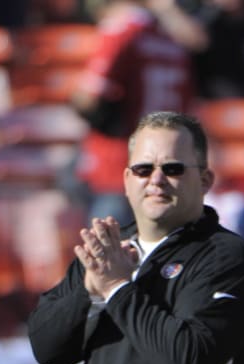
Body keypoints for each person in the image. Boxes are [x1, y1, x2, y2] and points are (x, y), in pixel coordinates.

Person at [27, 111, 244, 364]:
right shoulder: (105, 251)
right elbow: (47, 349)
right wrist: (88, 292)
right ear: (127, 179)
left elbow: (188, 360)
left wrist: (116, 288)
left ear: (205, 180)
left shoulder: (228, 258)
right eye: (143, 169)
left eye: (173, 169)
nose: (156, 180)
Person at [71, 0, 194, 226]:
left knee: (107, 247)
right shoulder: (173, 39)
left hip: (119, 161)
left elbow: (89, 98)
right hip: (166, 159)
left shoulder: (125, 30)